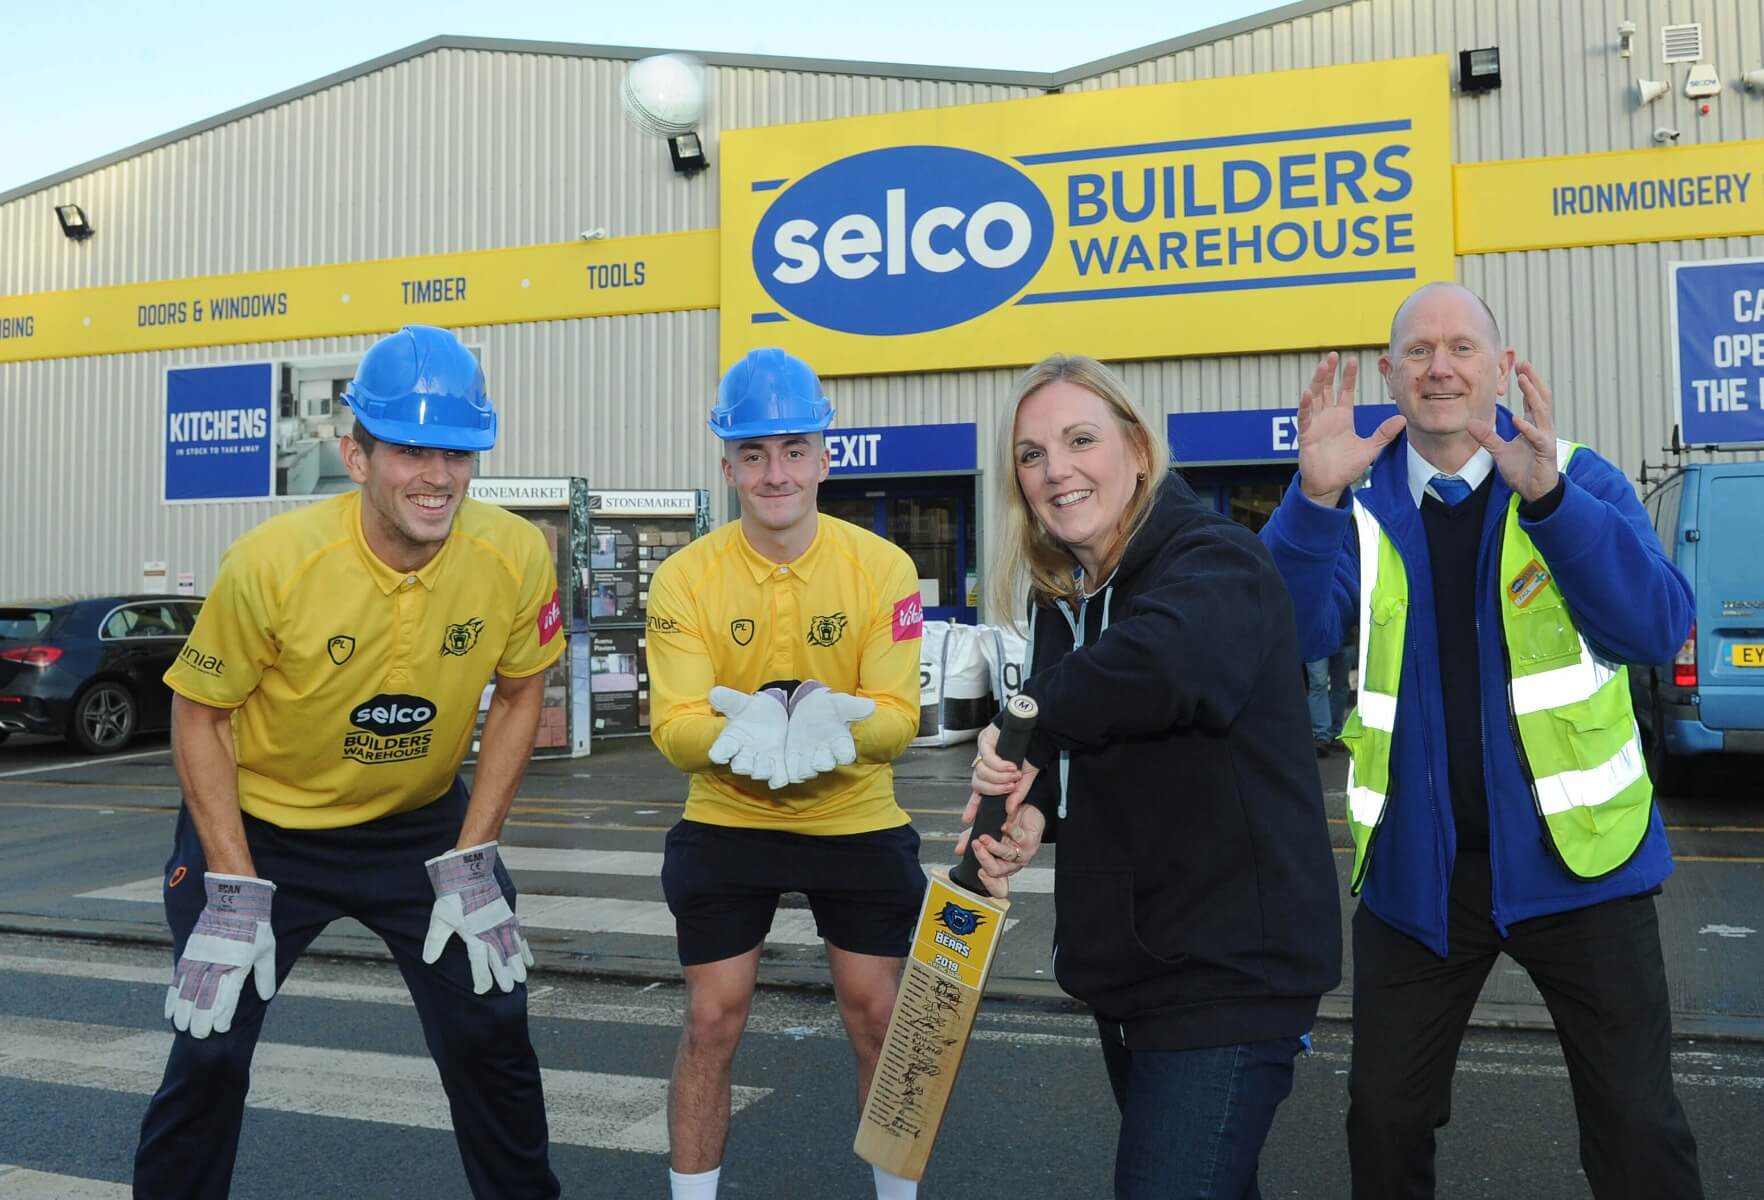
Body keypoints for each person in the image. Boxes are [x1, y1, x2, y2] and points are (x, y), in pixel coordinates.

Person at [1258, 282, 1703, 1199]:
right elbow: (1278, 639)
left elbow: (1655, 628)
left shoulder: (1574, 474)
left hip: (1582, 866)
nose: (1441, 368)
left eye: (1463, 348)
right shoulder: (1355, 494)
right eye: (1418, 352)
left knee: (1637, 1130)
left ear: (1502, 368)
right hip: (1421, 877)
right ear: (1389, 375)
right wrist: (1309, 501)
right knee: (1383, 1122)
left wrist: (1552, 503)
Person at [134, 325, 565, 1199]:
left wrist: (473, 859)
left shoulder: (514, 554)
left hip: (418, 827)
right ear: (356, 455)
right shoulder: (273, 564)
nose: (437, 477)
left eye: (456, 451)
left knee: (493, 1031)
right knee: (209, 1051)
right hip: (266, 832)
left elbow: (523, 692)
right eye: (409, 450)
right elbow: (199, 714)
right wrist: (230, 882)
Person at [965, 353, 1341, 1200]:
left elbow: (1163, 669)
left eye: (1079, 439)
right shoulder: (1068, 594)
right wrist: (1040, 817)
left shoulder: (1213, 560)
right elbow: (1109, 750)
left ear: (1138, 449)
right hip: (1135, 971)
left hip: (1224, 975)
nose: (1055, 468)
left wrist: (1022, 723)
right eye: (1031, 454)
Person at [644, 348, 926, 1200]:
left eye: (794, 449)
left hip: (856, 815)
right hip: (728, 818)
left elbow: (898, 715)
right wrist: (743, 738)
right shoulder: (684, 576)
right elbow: (674, 724)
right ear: (727, 463)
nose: (776, 472)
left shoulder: (885, 569)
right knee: (711, 1018)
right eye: (755, 453)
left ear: (825, 456)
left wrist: (841, 732)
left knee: (879, 1015)